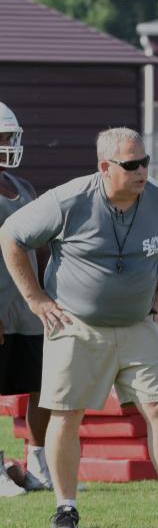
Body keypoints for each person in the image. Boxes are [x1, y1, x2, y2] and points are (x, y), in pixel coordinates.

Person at [0, 127, 158, 528]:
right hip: (76, 326)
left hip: (138, 326)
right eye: (131, 165)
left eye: (145, 162)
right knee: (67, 414)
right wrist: (36, 298)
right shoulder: (70, 198)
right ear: (105, 168)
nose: (142, 171)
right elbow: (12, 235)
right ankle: (65, 508)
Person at [0, 102, 52, 495]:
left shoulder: (24, 188)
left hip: (28, 305)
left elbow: (39, 248)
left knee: (44, 384)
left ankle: (37, 460)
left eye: (8, 136)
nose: (7, 143)